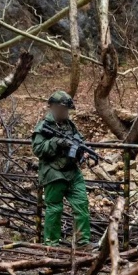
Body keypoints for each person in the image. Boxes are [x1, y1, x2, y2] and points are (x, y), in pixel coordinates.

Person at [32, 90, 92, 248]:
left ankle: (82, 242)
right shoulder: (44, 126)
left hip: (72, 171)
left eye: (66, 110)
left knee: (82, 204)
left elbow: (79, 140)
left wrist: (82, 152)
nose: (65, 112)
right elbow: (38, 149)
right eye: (63, 109)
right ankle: (51, 245)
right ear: (53, 108)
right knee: (55, 209)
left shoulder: (69, 125)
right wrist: (56, 142)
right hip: (53, 172)